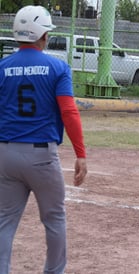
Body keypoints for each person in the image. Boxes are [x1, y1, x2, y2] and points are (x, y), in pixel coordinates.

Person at [0, 5, 87, 274]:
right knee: (54, 218)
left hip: (5, 154)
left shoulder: (2, 67)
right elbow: (68, 111)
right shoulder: (57, 67)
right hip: (41, 157)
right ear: (42, 35)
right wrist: (80, 153)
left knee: (4, 222)